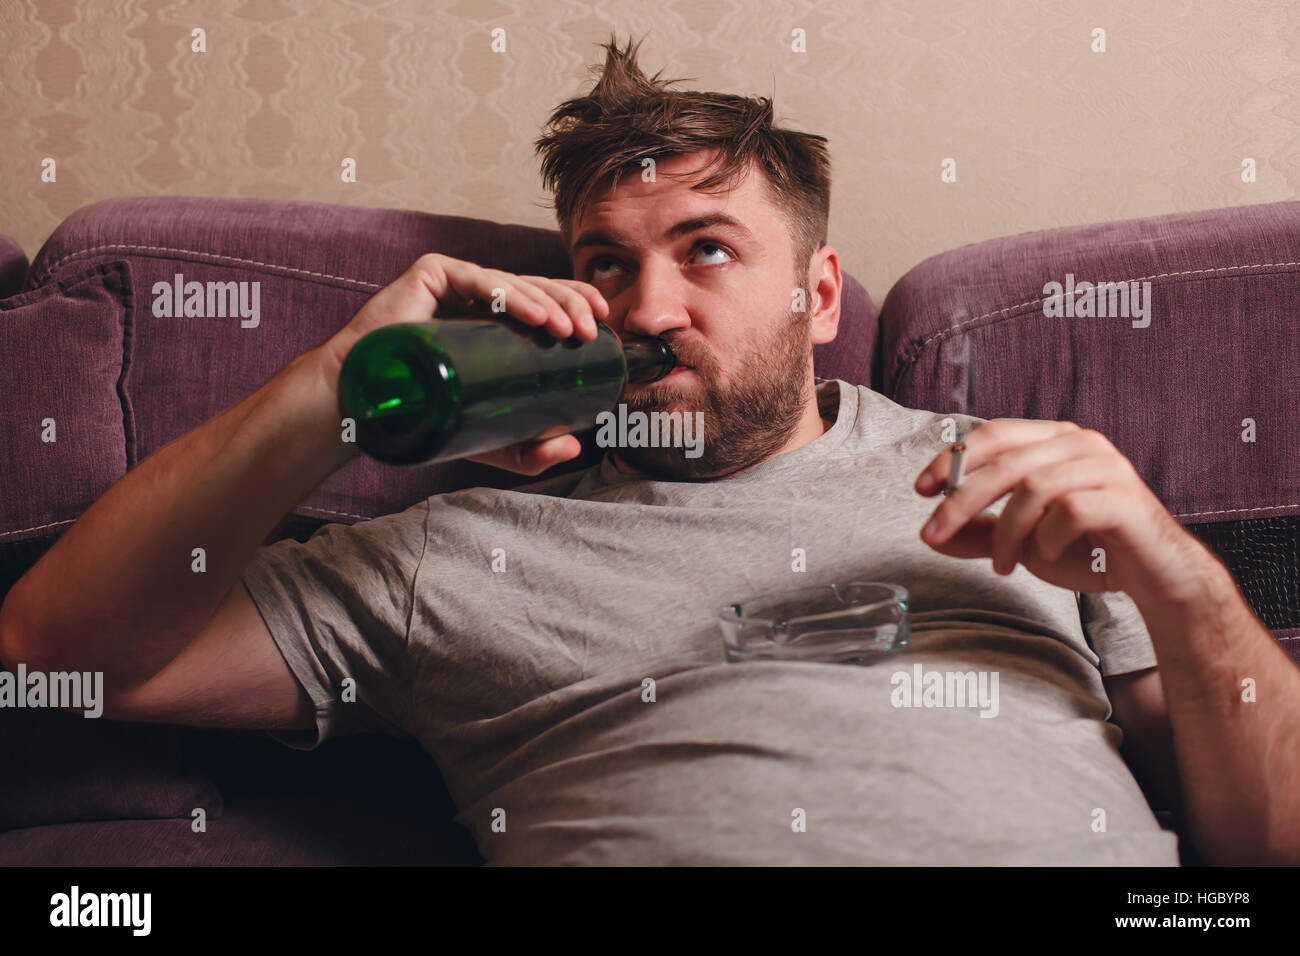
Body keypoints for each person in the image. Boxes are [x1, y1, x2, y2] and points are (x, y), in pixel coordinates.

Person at [3, 35, 1297, 866]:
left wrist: (1180, 579)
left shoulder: (1022, 478)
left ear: (820, 294)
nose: (649, 307)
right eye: (606, 265)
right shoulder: (461, 550)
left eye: (709, 250)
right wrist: (334, 388)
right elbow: (50, 661)